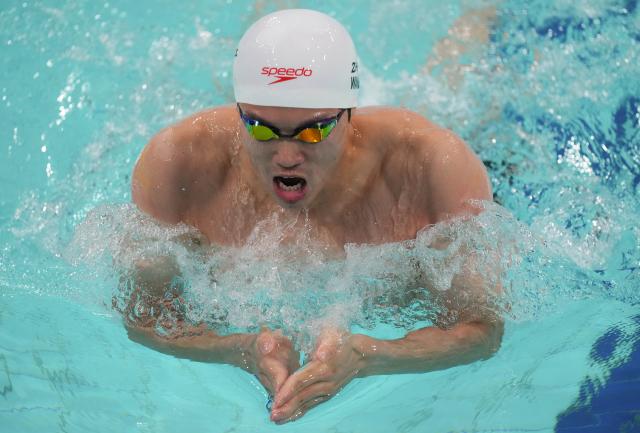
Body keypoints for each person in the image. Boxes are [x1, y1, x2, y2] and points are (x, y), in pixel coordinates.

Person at [127, 9, 503, 424]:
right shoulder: (177, 165)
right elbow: (144, 318)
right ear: (238, 111)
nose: (287, 157)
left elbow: (481, 330)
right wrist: (238, 349)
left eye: (314, 130)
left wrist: (368, 355)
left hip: (407, 145)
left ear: (350, 113)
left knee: (449, 84)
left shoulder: (432, 168)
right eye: (261, 128)